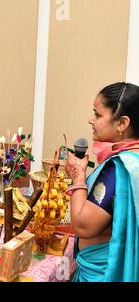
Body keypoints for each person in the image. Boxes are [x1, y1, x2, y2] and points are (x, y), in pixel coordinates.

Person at [65, 82, 139, 282]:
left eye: (98, 115)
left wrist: (78, 175)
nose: (91, 120)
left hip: (102, 273)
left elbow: (84, 225)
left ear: (122, 123)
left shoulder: (120, 168)